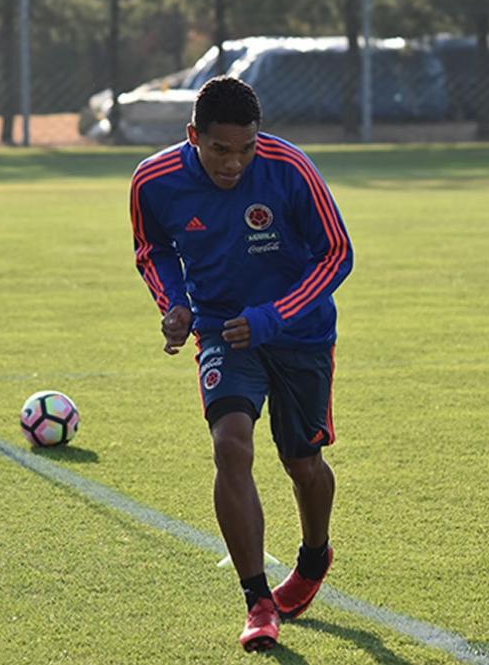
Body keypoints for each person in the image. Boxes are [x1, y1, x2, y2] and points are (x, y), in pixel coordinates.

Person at [129, 76, 353, 651]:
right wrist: (174, 304)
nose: (234, 163)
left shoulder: (290, 169)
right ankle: (257, 601)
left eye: (246, 148)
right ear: (193, 136)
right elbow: (153, 250)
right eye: (220, 150)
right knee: (231, 445)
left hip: (299, 332)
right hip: (223, 331)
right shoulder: (153, 180)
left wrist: (273, 317)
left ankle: (313, 557)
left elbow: (336, 254)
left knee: (303, 462)